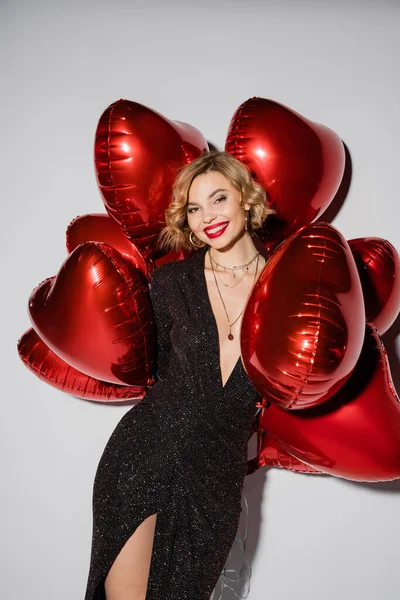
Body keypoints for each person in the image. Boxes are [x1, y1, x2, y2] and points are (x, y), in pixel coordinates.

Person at [83, 151, 276, 600]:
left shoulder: (284, 285)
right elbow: (161, 373)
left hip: (216, 474)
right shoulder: (172, 284)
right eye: (194, 208)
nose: (207, 217)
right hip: (144, 454)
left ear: (246, 199)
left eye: (218, 199)